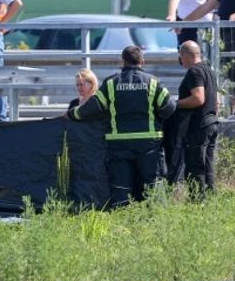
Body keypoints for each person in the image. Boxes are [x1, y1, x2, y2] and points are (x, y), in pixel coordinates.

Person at [67, 46, 176, 207]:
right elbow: (170, 108)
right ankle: (158, 218)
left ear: (122, 62)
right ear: (142, 61)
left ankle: (122, 218)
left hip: (119, 145)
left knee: (121, 187)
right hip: (149, 145)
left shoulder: (111, 83)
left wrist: (71, 114)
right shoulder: (152, 82)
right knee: (153, 184)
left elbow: (92, 109)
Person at [174, 40, 219, 198]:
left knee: (195, 166)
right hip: (211, 122)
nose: (180, 60)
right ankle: (210, 198)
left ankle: (197, 200)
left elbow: (198, 99)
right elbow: (215, 100)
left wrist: (174, 104)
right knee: (207, 165)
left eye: (181, 56)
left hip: (199, 126)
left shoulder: (194, 72)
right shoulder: (208, 70)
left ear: (185, 55)